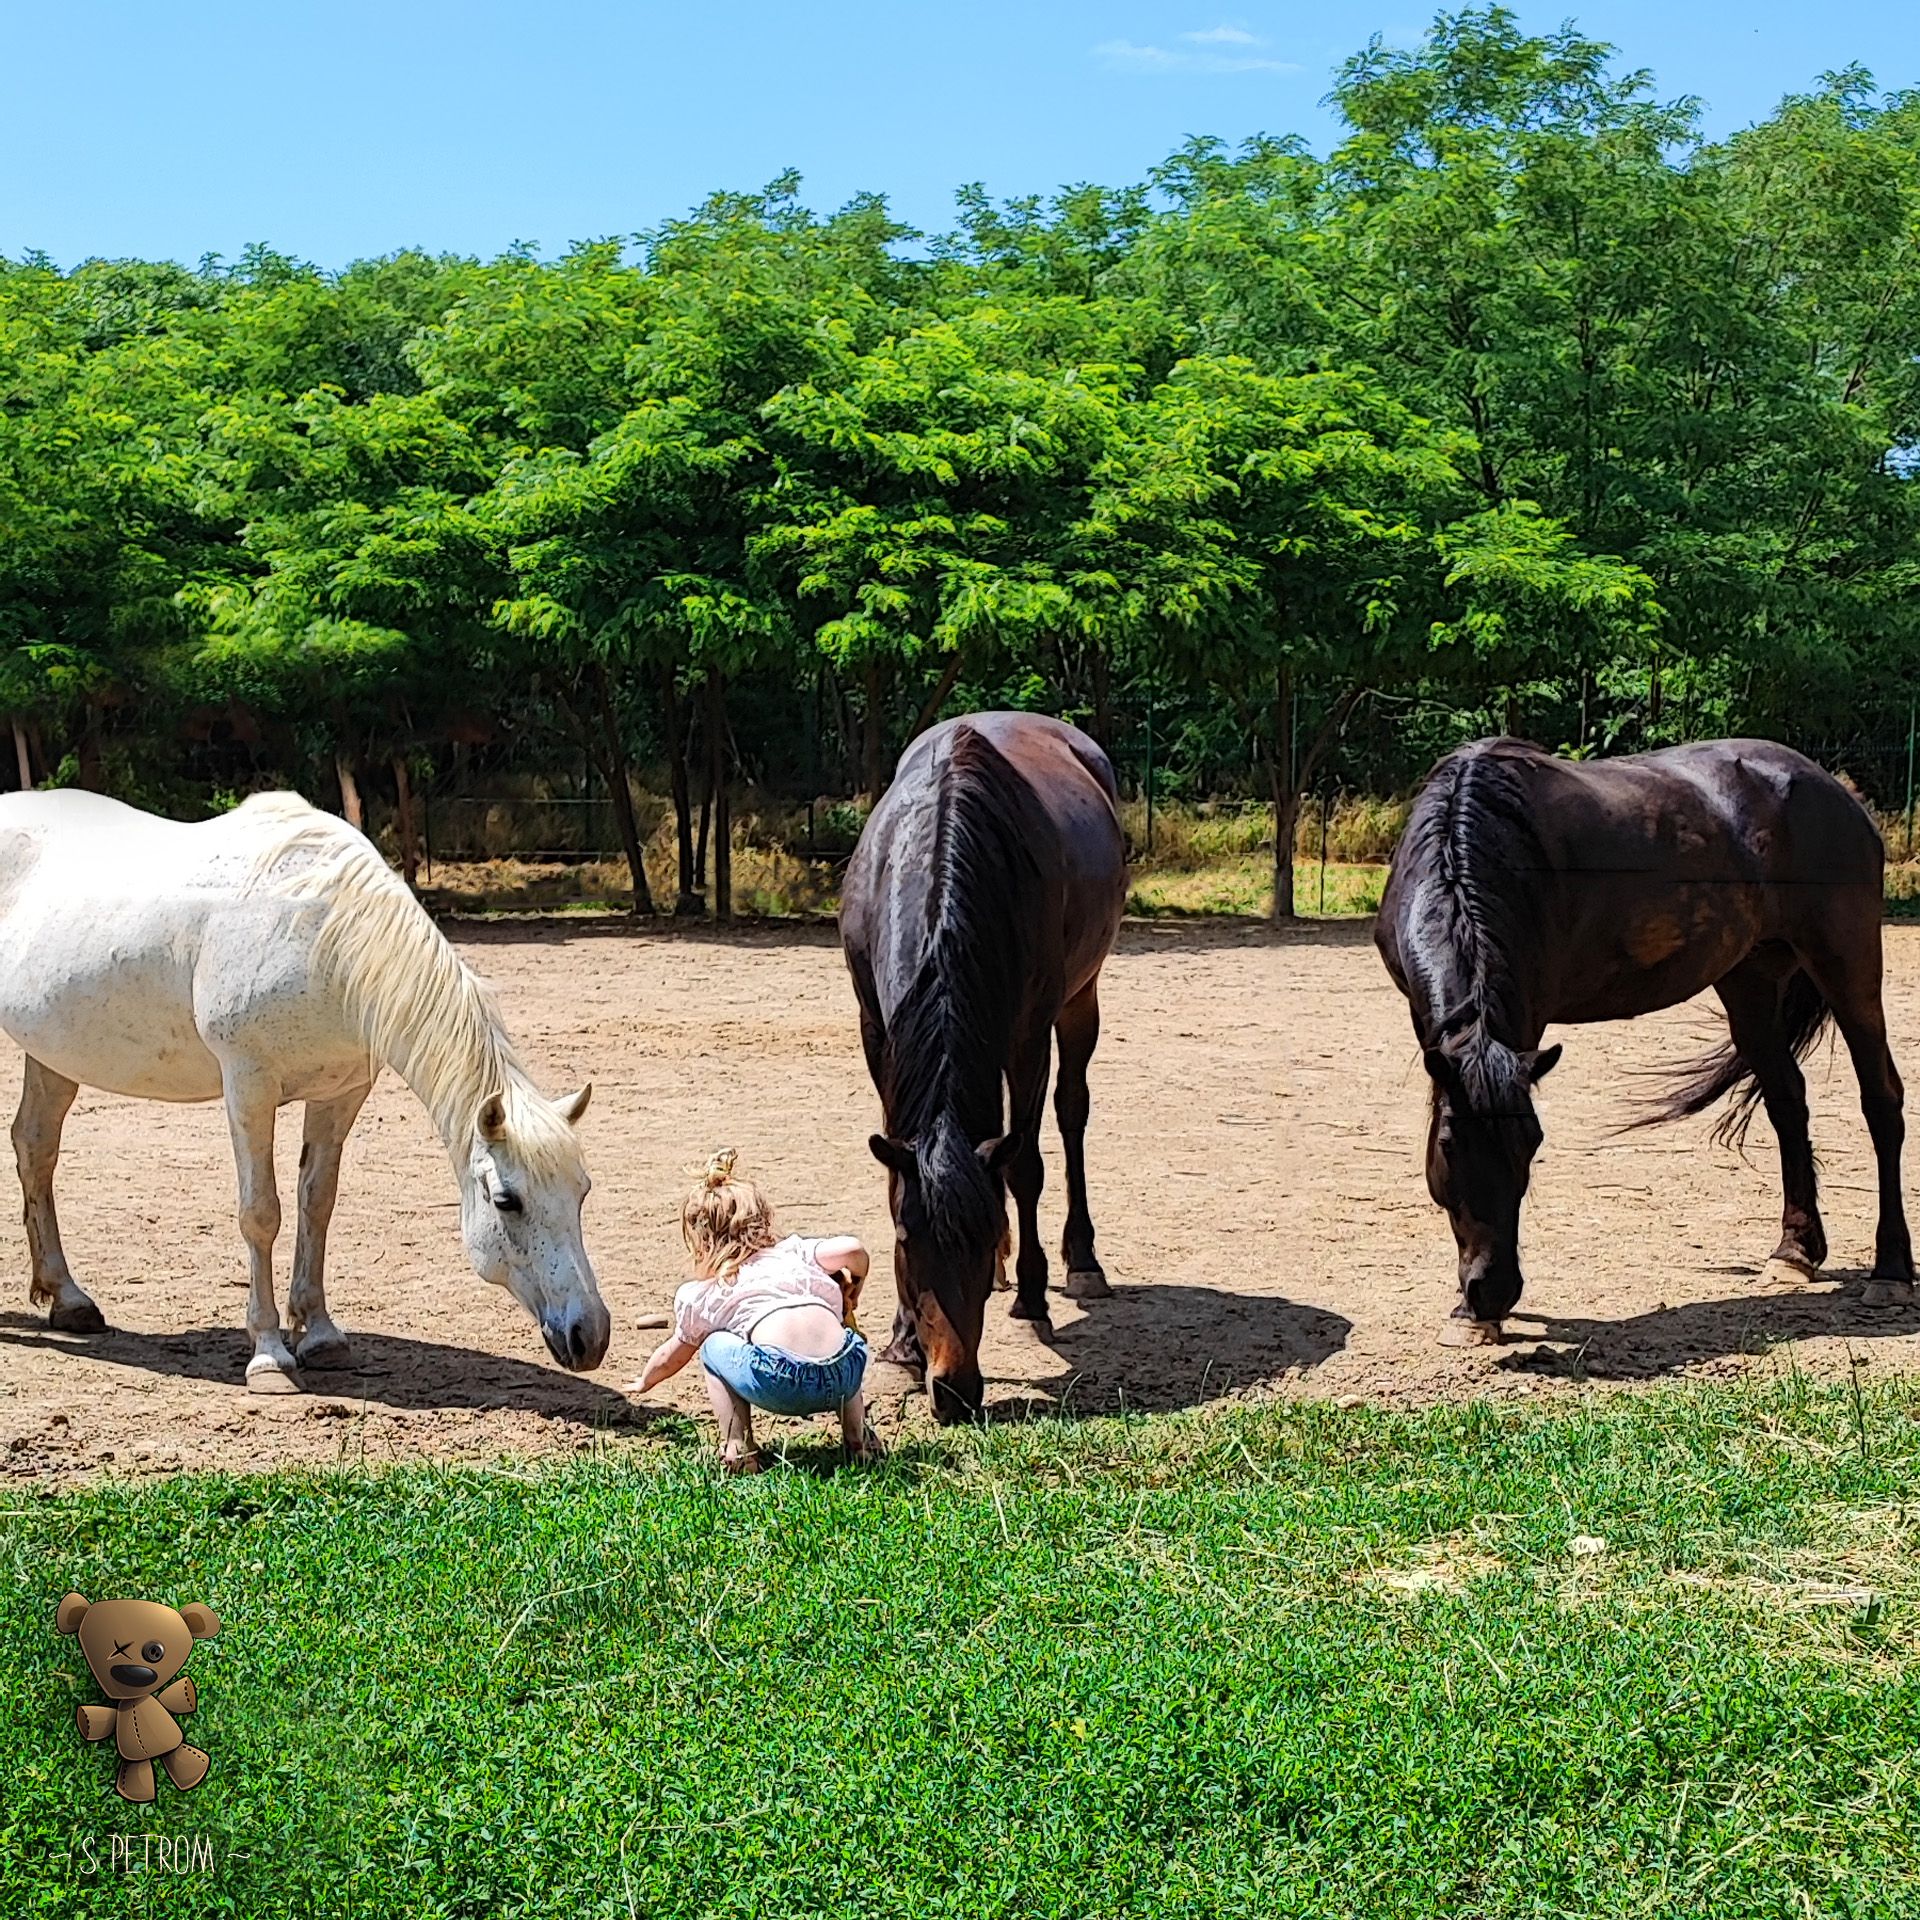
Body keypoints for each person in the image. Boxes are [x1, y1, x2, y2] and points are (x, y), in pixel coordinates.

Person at [632, 1150, 878, 1473]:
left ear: (701, 1241)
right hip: (847, 1374)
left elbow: (672, 1356)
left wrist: (645, 1380)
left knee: (711, 1346)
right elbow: (853, 1249)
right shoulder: (796, 1252)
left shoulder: (708, 1293)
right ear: (763, 1220)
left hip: (782, 1380)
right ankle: (857, 1439)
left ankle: (738, 1446)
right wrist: (853, 1289)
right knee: (845, 1335)